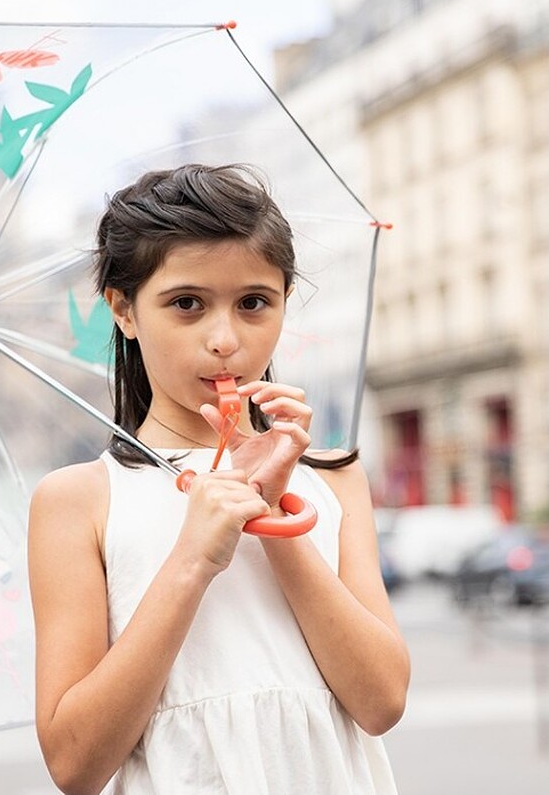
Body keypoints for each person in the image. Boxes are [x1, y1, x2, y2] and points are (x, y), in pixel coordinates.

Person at [28, 164, 409, 795]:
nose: (225, 339)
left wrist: (274, 513)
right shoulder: (81, 501)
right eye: (187, 304)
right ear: (124, 309)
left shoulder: (333, 478)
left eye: (254, 302)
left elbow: (381, 701)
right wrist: (191, 560)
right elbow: (75, 763)